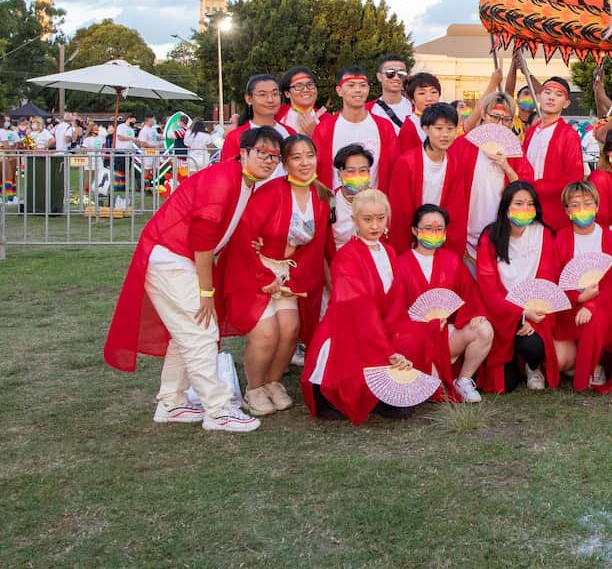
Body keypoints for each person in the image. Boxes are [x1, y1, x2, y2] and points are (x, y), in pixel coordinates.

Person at [103, 126, 284, 433]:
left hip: (176, 257)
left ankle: (171, 402)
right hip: (172, 258)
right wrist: (206, 291)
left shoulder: (243, 181)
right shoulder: (222, 180)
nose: (268, 161)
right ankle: (217, 408)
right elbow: (202, 241)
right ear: (244, 153)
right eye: (262, 153)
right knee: (201, 330)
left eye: (274, 157)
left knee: (185, 332)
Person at [218, 134, 330, 417]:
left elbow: (314, 249)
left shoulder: (319, 197)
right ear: (285, 163)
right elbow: (245, 239)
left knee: (291, 329)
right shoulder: (270, 193)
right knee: (267, 334)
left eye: (309, 155)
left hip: (288, 275)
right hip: (254, 270)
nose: (304, 162)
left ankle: (272, 382)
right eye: (296, 157)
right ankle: (253, 389)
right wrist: (262, 276)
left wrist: (296, 282)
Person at [302, 189, 425, 423]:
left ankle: (386, 392)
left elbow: (396, 300)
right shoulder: (347, 256)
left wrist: (394, 334)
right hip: (348, 329)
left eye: (381, 218)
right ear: (354, 220)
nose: (375, 225)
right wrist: (387, 349)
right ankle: (365, 394)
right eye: (367, 219)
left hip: (379, 325)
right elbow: (359, 309)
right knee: (367, 351)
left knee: (414, 334)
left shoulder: (389, 252)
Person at [395, 203, 496, 402]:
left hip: (445, 334)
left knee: (484, 329)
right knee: (429, 389)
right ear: (414, 230)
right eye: (428, 229)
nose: (434, 233)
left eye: (439, 229)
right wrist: (422, 324)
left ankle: (464, 381)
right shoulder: (400, 263)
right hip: (415, 339)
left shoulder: (451, 260)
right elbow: (395, 308)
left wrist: (475, 313)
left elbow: (470, 293)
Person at [474, 181, 569, 391]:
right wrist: (520, 314)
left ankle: (532, 365)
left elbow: (547, 281)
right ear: (506, 206)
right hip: (502, 312)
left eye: (529, 204)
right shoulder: (490, 237)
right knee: (505, 384)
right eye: (518, 203)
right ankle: (515, 360)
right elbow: (489, 290)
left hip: (536, 312)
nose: (524, 209)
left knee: (532, 345)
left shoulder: (543, 234)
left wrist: (532, 317)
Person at [553, 181, 612, 390]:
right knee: (558, 361)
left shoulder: (611, 239)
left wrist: (591, 305)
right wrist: (578, 299)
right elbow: (556, 278)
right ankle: (582, 360)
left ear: (597, 206)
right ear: (567, 211)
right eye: (575, 204)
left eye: (587, 203)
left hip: (602, 305)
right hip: (568, 307)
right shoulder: (560, 238)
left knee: (595, 318)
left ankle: (590, 369)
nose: (582, 209)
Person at [387, 103, 474, 254]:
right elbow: (400, 212)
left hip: (441, 237)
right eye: (439, 128)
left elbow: (457, 210)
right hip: (413, 238)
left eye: (450, 129)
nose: (445, 134)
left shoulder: (455, 164)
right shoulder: (406, 163)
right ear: (426, 129)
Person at [459, 91, 533, 264]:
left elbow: (526, 190)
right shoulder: (464, 145)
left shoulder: (515, 152)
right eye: (495, 117)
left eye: (506, 119)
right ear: (483, 115)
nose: (500, 125)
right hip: (466, 227)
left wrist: (506, 166)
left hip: (501, 228)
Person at [313, 66, 400, 192]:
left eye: (362, 85)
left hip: (373, 205)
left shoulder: (384, 127)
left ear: (368, 89)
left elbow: (394, 167)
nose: (358, 90)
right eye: (351, 85)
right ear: (339, 90)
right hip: (335, 205)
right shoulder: (324, 128)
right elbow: (317, 169)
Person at [520, 76, 584, 231]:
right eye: (547, 92)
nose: (551, 97)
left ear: (566, 103)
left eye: (558, 94)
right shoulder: (530, 132)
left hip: (553, 210)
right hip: (526, 204)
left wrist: (539, 188)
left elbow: (574, 175)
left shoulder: (569, 135)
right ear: (540, 96)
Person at [221, 75, 291, 160]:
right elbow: (227, 170)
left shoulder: (289, 132)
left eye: (275, 94)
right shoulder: (236, 137)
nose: (270, 100)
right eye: (262, 94)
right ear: (249, 99)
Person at [396, 72, 443, 154]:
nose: (429, 98)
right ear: (412, 100)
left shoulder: (446, 120)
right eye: (422, 93)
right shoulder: (410, 126)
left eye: (433, 92)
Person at [276, 67, 326, 136]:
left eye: (310, 84)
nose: (306, 90)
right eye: (298, 86)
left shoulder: (328, 120)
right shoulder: (275, 116)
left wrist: (315, 133)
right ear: (287, 93)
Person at [368, 55, 413, 128]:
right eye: (390, 73)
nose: (396, 78)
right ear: (379, 77)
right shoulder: (367, 111)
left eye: (401, 74)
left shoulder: (415, 109)